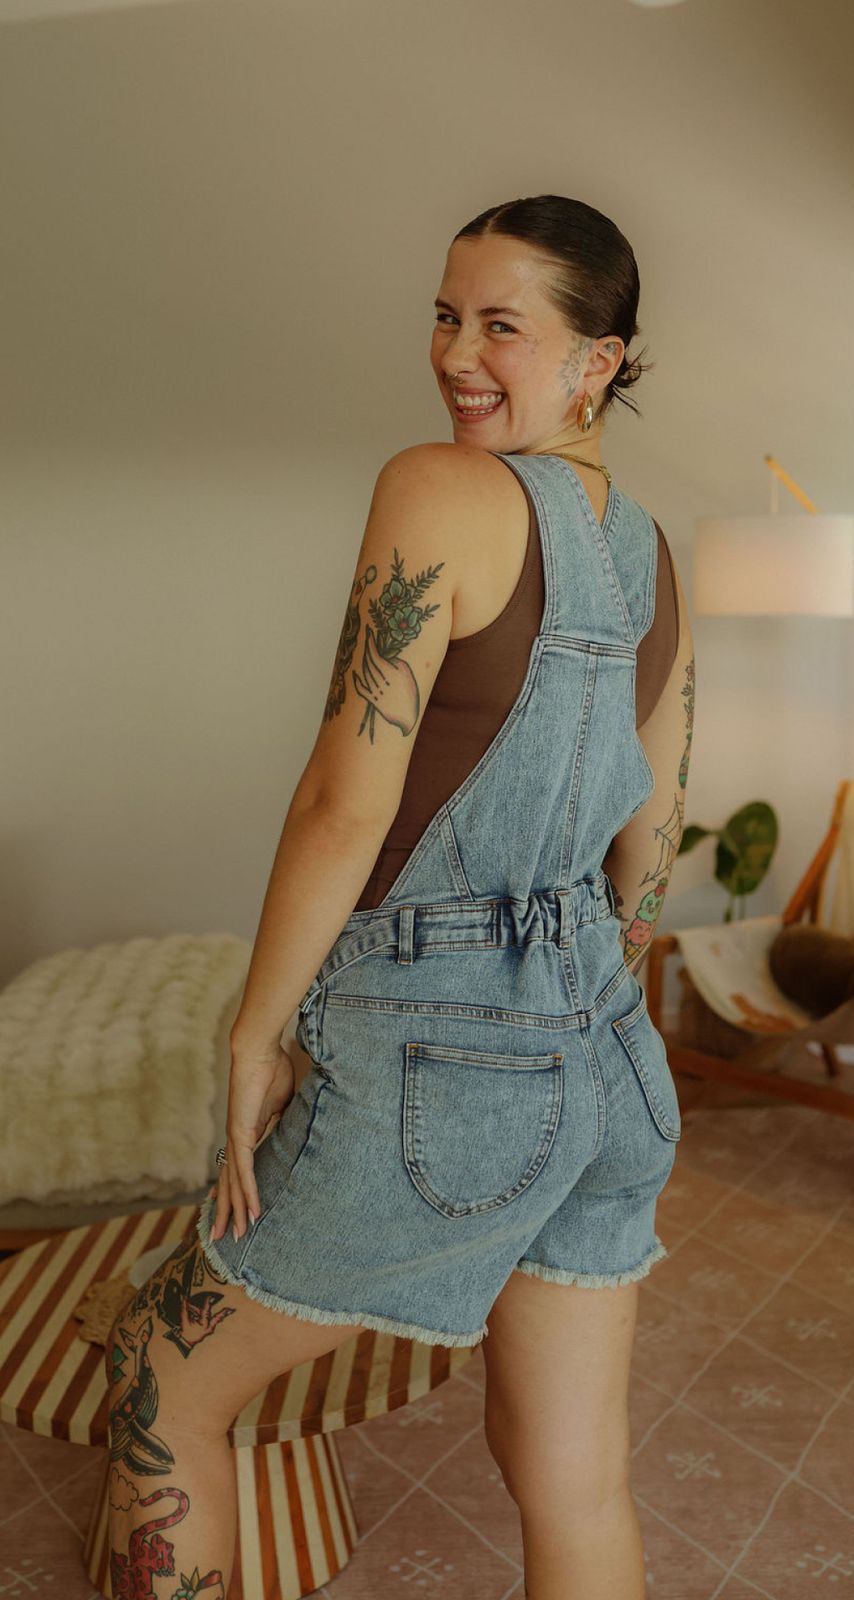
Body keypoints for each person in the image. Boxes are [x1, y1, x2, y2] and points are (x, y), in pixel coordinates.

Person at [104, 193, 695, 1600]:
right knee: (575, 1479)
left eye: (503, 325)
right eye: (444, 315)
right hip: (607, 1059)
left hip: (440, 1048)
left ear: (596, 359)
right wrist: (573, 991)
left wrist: (256, 1032)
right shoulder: (653, 552)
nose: (454, 355)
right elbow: (651, 834)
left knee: (156, 1383)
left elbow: (342, 797)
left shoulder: (438, 489)